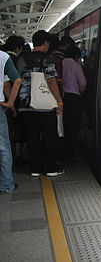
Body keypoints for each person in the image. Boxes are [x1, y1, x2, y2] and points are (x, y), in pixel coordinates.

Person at [16, 30, 64, 177]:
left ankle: (35, 169)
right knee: (50, 136)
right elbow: (51, 81)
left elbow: (18, 80)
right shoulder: (47, 58)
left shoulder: (22, 59)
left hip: (25, 104)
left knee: (33, 137)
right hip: (44, 105)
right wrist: (59, 101)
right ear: (45, 43)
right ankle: (50, 168)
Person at [0, 50, 22, 194]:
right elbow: (17, 80)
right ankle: (6, 184)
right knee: (3, 148)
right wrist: (11, 103)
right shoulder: (3, 56)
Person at [62, 45, 86, 162]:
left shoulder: (61, 62)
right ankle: (69, 155)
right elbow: (83, 83)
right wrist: (81, 92)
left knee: (64, 126)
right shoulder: (75, 66)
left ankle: (62, 152)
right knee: (73, 127)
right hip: (73, 98)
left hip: (61, 97)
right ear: (76, 55)